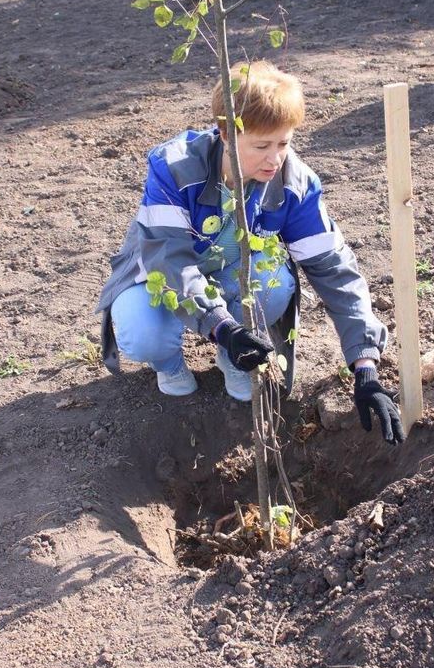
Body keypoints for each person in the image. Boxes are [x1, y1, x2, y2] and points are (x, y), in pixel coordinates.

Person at [96, 61, 404, 445]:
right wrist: (223, 327)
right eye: (261, 146)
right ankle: (169, 365)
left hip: (231, 274)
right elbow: (169, 261)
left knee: (274, 285)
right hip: (159, 277)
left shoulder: (294, 183)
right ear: (225, 133)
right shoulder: (174, 168)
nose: (275, 159)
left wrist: (365, 367)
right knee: (143, 333)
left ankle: (233, 359)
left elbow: (334, 269)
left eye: (284, 143)